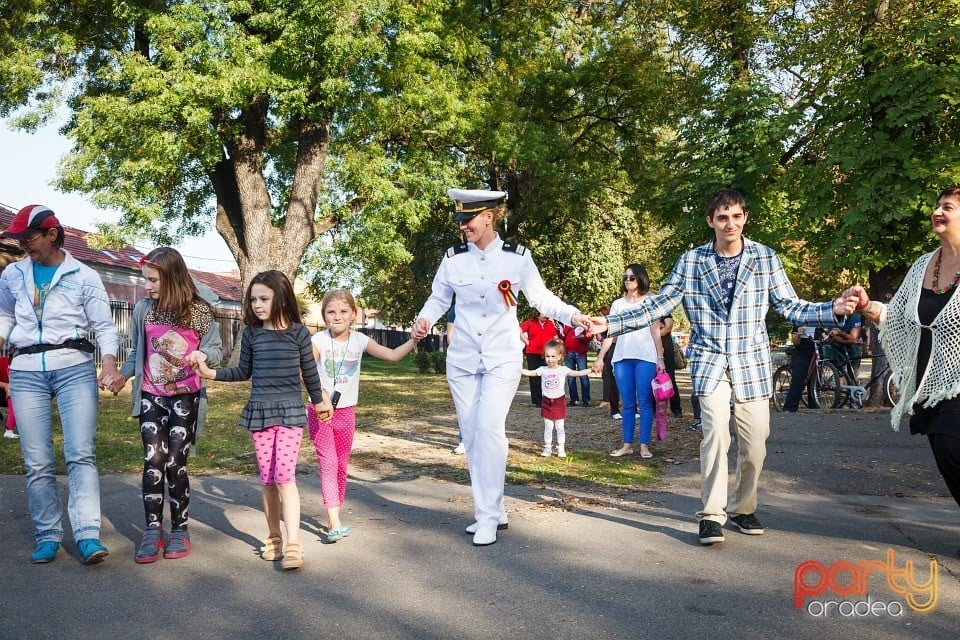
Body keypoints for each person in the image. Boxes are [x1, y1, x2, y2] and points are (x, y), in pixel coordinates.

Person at [589, 189, 857, 546]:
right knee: (715, 435)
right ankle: (712, 514)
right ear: (710, 221)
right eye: (722, 217)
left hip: (752, 361)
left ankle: (743, 508)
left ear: (744, 218)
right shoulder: (692, 261)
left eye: (736, 216)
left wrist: (832, 308)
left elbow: (790, 306)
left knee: (755, 443)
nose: (729, 223)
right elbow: (659, 304)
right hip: (710, 359)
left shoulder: (765, 258)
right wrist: (611, 324)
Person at [412, 188, 591, 546]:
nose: (463, 227)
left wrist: (574, 315)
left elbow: (541, 298)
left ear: (489, 217)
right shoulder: (453, 259)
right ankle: (493, 508)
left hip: (501, 356)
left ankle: (488, 517)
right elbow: (438, 297)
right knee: (472, 434)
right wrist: (424, 318)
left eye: (469, 220)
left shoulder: (517, 258)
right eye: (460, 221)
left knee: (489, 428)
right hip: (462, 358)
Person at [0, 204, 122, 564]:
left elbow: (103, 327)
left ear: (52, 234)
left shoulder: (84, 276)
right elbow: (5, 315)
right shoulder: (12, 275)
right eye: (19, 239)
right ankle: (48, 535)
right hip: (25, 371)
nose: (24, 245)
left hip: (73, 367)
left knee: (79, 453)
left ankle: (87, 535)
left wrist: (110, 365)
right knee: (36, 460)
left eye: (29, 237)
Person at [187, 270, 332, 570]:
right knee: (267, 480)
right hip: (259, 413)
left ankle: (294, 544)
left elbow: (310, 374)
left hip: (290, 412)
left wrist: (319, 402)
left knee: (284, 477)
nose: (257, 304)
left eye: (264, 298)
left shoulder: (299, 334)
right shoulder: (252, 333)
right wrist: (211, 374)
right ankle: (274, 537)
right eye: (253, 299)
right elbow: (243, 371)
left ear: (280, 298)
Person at [111, 248, 222, 563]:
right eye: (145, 280)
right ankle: (152, 528)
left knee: (175, 462)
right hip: (151, 396)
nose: (147, 287)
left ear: (172, 278)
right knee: (153, 459)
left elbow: (215, 349)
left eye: (153, 280)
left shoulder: (199, 312)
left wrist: (204, 357)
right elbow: (137, 353)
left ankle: (180, 530)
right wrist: (121, 376)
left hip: (186, 397)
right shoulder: (144, 310)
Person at [853, 186, 960, 513]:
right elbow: (897, 317)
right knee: (945, 456)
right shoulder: (922, 266)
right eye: (938, 206)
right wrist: (867, 305)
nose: (938, 212)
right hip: (930, 382)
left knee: (949, 444)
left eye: (949, 208)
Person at [308, 289, 418, 541]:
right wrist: (320, 396)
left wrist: (414, 340)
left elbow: (391, 356)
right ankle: (334, 521)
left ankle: (334, 510)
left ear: (353, 315)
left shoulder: (359, 340)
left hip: (347, 411)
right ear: (324, 315)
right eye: (331, 312)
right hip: (321, 412)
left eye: (343, 312)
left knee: (341, 466)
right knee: (328, 463)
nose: (337, 317)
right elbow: (305, 371)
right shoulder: (318, 341)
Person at [592, 264, 665, 460]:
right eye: (625, 277)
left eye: (632, 277)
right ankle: (627, 444)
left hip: (646, 358)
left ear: (641, 279)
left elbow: (655, 332)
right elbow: (610, 333)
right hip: (622, 358)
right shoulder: (617, 304)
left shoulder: (651, 301)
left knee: (645, 403)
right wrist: (601, 357)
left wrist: (660, 358)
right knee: (628, 404)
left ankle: (644, 446)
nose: (627, 280)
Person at [521, 338, 591, 457]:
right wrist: (518, 369)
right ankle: (547, 447)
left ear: (559, 356)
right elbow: (530, 373)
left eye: (553, 356)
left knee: (559, 426)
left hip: (559, 401)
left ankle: (561, 448)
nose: (550, 359)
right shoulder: (542, 370)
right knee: (548, 426)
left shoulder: (563, 370)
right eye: (547, 356)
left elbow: (577, 373)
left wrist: (590, 370)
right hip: (547, 401)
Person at [519, 311, 558, 407]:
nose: (546, 316)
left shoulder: (550, 324)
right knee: (534, 377)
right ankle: (537, 401)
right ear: (537, 314)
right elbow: (518, 329)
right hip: (532, 353)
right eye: (544, 314)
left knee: (547, 376)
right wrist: (526, 341)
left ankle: (548, 399)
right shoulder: (530, 322)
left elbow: (555, 337)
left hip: (547, 354)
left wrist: (557, 345)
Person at [782, 325, 823, 412]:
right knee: (798, 380)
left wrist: (830, 336)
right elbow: (795, 342)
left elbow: (825, 338)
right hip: (801, 352)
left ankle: (814, 407)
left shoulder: (818, 323)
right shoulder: (799, 322)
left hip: (816, 352)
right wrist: (799, 333)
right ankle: (790, 407)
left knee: (814, 381)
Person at [446, 303, 465, 455]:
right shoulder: (455, 309)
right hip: (464, 361)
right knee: (465, 405)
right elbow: (450, 336)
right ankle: (464, 440)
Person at [561, 321, 592, 407]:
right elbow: (562, 336)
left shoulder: (584, 326)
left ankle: (586, 400)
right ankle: (574, 400)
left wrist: (581, 336)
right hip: (568, 353)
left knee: (583, 376)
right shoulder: (566, 325)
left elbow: (589, 337)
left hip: (580, 353)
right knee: (570, 377)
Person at [659, 316, 683, 417]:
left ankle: (676, 409)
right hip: (649, 351)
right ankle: (651, 408)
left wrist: (652, 335)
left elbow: (668, 327)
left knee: (670, 380)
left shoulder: (664, 312)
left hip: (666, 351)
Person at [0, 354, 18, 439]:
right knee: (14, 411)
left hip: (13, 391)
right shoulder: (12, 368)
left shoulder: (10, 367)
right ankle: (8, 431)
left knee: (14, 411)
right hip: (12, 392)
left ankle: (9, 430)